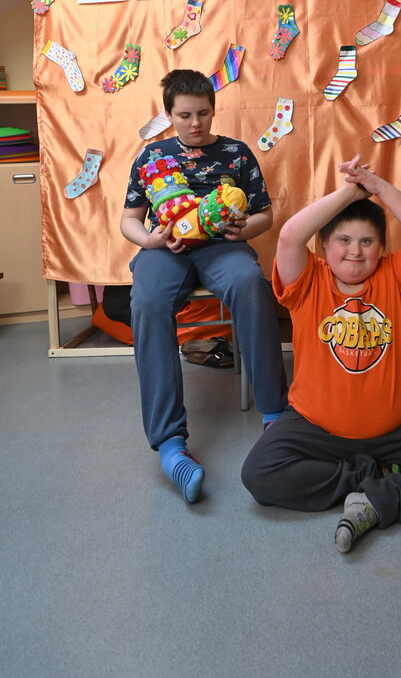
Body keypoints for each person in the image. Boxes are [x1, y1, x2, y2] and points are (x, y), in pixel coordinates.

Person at [241, 155, 401, 554]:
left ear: (381, 248)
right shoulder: (308, 280)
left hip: (399, 429)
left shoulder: (397, 277)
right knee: (259, 473)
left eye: (367, 241)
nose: (355, 251)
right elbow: (288, 237)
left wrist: (379, 188)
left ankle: (375, 500)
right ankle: (369, 478)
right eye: (343, 240)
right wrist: (346, 193)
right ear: (324, 246)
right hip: (317, 429)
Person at [120, 69, 287, 503]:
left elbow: (266, 215)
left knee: (251, 284)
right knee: (147, 302)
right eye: (185, 115)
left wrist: (243, 229)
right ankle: (170, 445)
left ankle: (275, 414)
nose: (195, 123)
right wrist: (150, 241)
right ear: (168, 114)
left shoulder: (236, 152)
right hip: (165, 249)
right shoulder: (152, 155)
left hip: (221, 247)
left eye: (203, 113)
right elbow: (129, 220)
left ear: (214, 109)